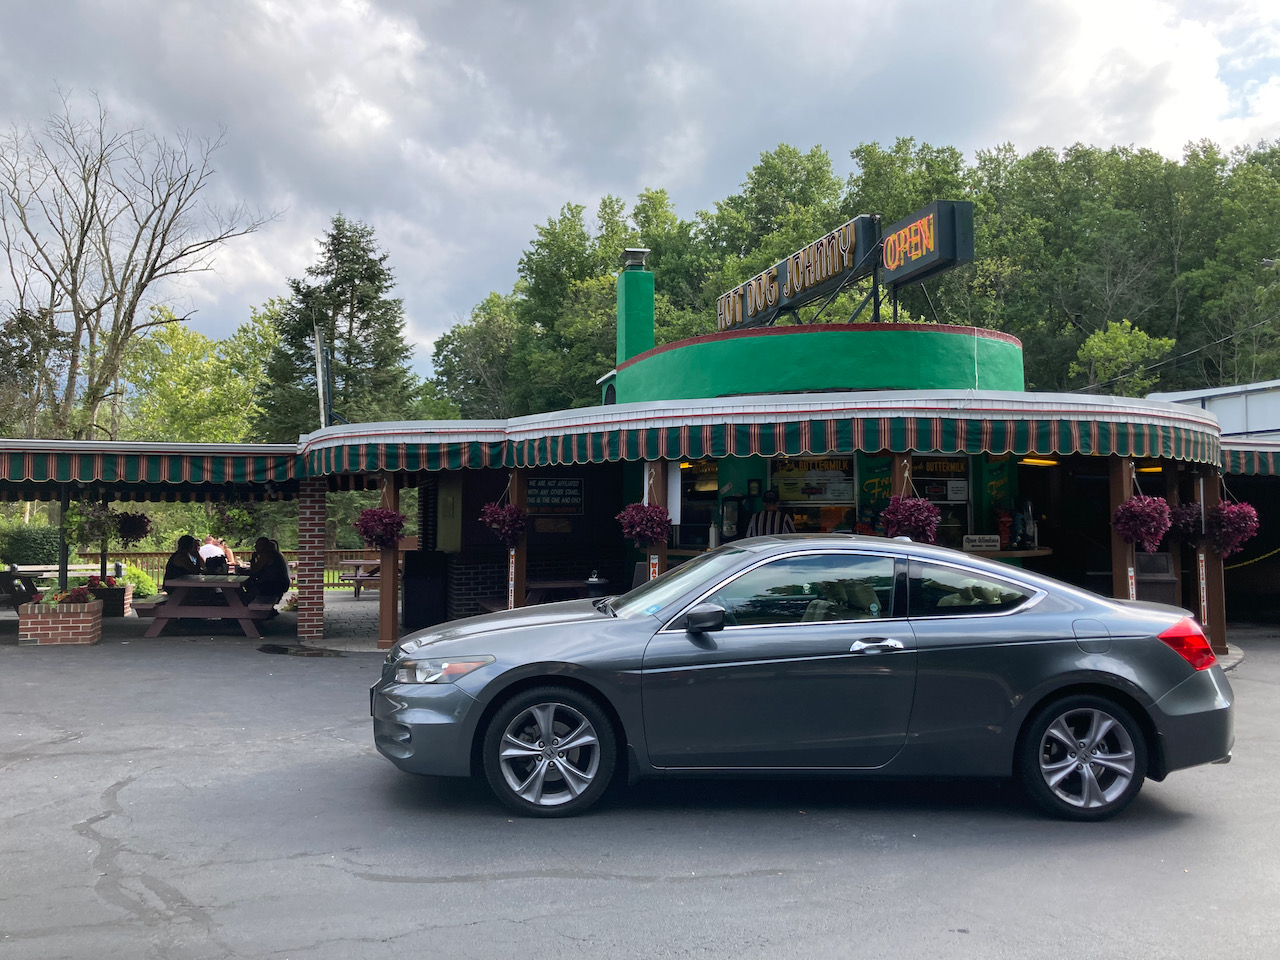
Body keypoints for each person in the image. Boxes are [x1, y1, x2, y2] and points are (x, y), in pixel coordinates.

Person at [244, 537, 291, 607]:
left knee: (250, 585)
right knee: (251, 583)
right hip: (280, 583)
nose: (255, 547)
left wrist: (253, 559)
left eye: (257, 545)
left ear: (263, 545)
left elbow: (255, 570)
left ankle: (249, 607)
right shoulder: (275, 553)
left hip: (275, 585)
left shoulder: (267, 554)